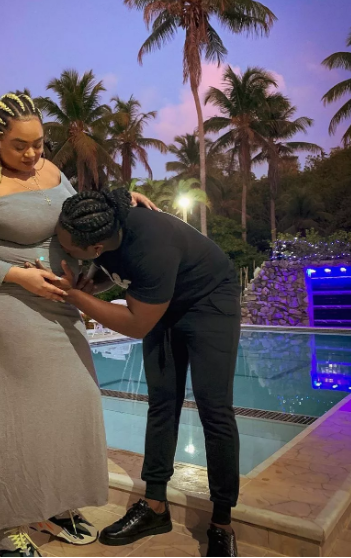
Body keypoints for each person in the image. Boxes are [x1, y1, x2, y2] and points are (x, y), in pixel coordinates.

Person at [0, 93, 156, 558]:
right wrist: (17, 276)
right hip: (8, 301)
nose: (32, 153)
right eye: (20, 145)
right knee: (22, 416)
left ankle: (51, 504)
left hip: (60, 300)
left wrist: (119, 201)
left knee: (79, 397)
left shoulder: (52, 171)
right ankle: (9, 526)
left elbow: (80, 214)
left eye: (38, 143)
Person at [54, 189, 241, 558]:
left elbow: (137, 323)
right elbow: (117, 269)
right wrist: (93, 283)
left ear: (95, 248)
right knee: (162, 402)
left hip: (209, 300)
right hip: (163, 301)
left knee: (214, 409)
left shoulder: (151, 246)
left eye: (68, 248)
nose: (64, 252)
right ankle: (155, 506)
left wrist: (75, 296)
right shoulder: (101, 217)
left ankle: (222, 523)